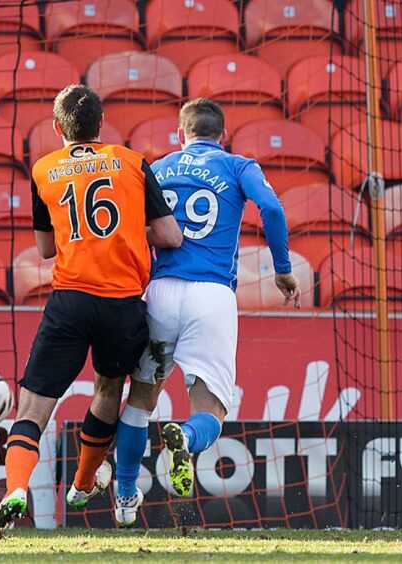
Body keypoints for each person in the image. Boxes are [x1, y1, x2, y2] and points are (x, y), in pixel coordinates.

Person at [0, 84, 183, 537]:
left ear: (57, 128)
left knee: (32, 408)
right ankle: (85, 481)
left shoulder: (43, 169)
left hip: (70, 299)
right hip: (122, 302)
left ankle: (15, 490)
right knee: (109, 389)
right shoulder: (131, 162)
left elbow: (46, 247)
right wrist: (130, 231)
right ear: (102, 126)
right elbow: (170, 236)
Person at [113, 98, 301, 527]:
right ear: (224, 133)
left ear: (180, 135)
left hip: (160, 291)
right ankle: (187, 436)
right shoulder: (239, 165)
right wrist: (283, 270)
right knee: (212, 409)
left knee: (140, 401)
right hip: (212, 295)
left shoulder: (157, 168)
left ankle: (125, 496)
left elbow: (128, 225)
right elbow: (271, 209)